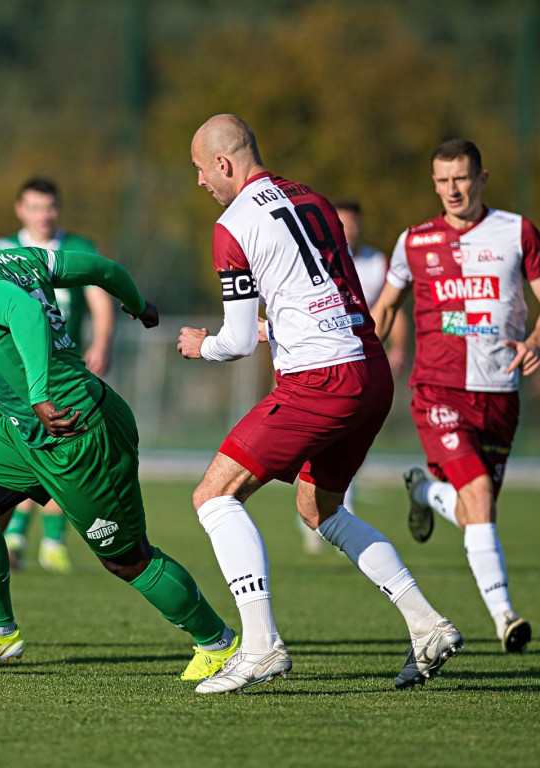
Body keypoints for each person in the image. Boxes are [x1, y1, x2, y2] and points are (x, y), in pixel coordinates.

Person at [0, 201, 238, 680]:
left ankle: (218, 642)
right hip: (25, 432)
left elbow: (24, 310)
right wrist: (136, 303)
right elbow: (102, 268)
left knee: (127, 559)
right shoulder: (17, 258)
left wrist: (39, 395)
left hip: (75, 427)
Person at [178, 114, 462, 693]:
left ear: (225, 164)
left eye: (202, 170)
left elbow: (231, 343)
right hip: (369, 370)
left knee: (213, 496)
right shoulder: (315, 199)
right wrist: (274, 329)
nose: (201, 183)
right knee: (320, 509)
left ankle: (259, 646)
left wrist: (200, 345)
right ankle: (427, 624)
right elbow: (322, 290)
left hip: (319, 381)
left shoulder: (231, 225)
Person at [372, 138, 538, 654]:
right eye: (442, 181)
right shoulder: (414, 242)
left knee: (473, 512)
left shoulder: (517, 232)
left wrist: (534, 341)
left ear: (482, 178)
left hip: (499, 392)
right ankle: (505, 616)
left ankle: (423, 492)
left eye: (461, 179)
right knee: (481, 497)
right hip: (437, 389)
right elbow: (385, 310)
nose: (452, 190)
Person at [0, 178, 116, 574]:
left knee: (64, 449)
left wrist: (102, 341)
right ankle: (18, 535)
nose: (44, 215)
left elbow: (99, 295)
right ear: (20, 209)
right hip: (18, 376)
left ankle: (51, 542)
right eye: (35, 207)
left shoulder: (77, 247)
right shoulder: (0, 251)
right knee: (29, 449)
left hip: (65, 374)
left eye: (50, 207)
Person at [296, 199, 411, 553]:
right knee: (312, 443)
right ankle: (313, 515)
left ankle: (336, 514)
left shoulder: (377, 264)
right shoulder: (317, 259)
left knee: (348, 446)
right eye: (340, 224)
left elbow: (394, 309)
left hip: (363, 368)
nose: (347, 231)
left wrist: (398, 349)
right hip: (322, 364)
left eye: (352, 224)